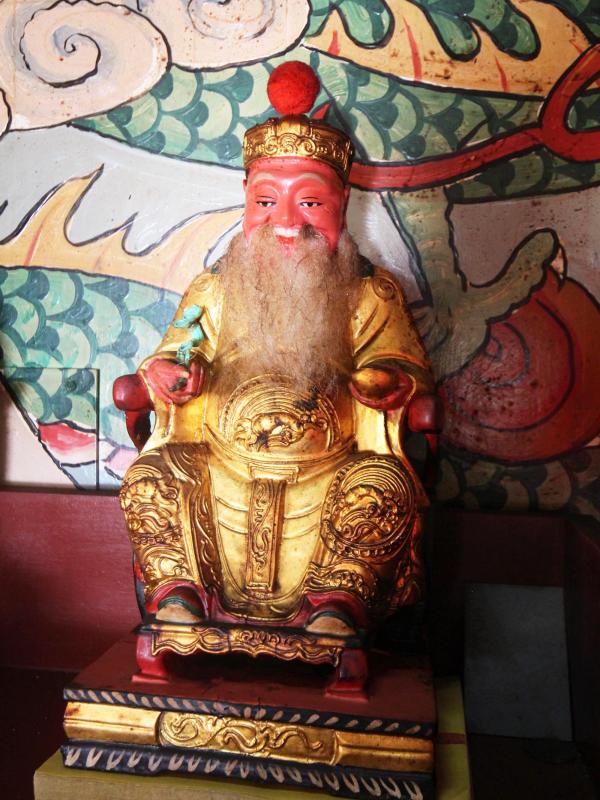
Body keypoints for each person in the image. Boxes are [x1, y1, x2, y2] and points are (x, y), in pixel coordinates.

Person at [117, 63, 434, 676]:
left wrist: (387, 380)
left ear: (343, 204)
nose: (287, 221)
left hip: (330, 469)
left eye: (309, 201)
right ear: (246, 201)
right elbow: (175, 351)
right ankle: (179, 598)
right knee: (151, 478)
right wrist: (172, 374)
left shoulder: (370, 294)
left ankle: (336, 607)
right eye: (266, 201)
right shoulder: (214, 289)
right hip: (218, 464)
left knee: (383, 486)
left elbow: (402, 366)